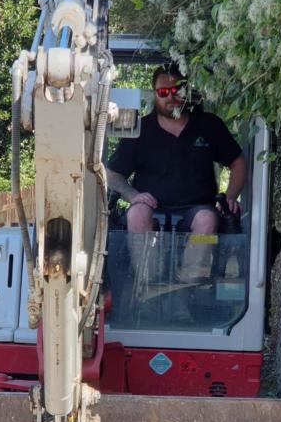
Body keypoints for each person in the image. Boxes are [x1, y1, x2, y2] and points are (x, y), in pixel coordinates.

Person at [106, 64, 248, 285]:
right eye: (163, 92)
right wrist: (133, 196)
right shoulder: (140, 130)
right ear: (154, 94)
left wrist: (230, 196)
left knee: (208, 219)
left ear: (187, 92)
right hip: (151, 207)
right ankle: (146, 286)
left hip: (197, 207)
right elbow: (113, 174)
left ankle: (187, 290)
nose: (171, 97)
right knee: (136, 214)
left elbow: (238, 162)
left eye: (177, 91)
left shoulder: (209, 126)